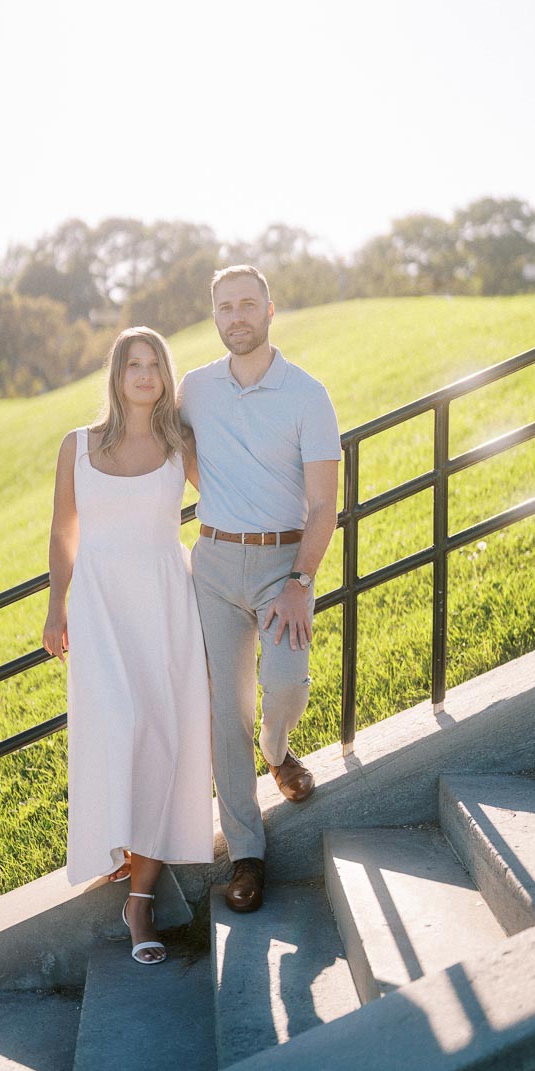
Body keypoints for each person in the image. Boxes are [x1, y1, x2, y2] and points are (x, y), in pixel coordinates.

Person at [43, 326, 214, 964]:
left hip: (168, 604)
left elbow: (228, 500)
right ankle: (114, 846)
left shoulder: (178, 446)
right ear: (116, 376)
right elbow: (64, 531)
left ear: (166, 377)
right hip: (100, 608)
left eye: (154, 365)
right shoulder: (78, 447)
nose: (144, 375)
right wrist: (56, 605)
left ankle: (139, 902)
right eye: (132, 365)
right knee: (120, 725)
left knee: (164, 739)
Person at [178, 265, 341, 914]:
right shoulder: (195, 388)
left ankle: (277, 753)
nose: (236, 316)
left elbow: (325, 504)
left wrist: (301, 582)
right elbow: (168, 443)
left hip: (283, 565)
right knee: (225, 715)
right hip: (214, 563)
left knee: (286, 684)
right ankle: (248, 853)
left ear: (271, 310)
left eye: (248, 304)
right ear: (214, 316)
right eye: (225, 307)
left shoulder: (307, 394)